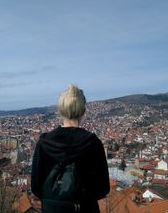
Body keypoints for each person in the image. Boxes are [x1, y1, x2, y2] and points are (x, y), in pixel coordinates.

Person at [31, 85, 110, 213]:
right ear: (83, 111)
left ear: (60, 111)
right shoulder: (93, 143)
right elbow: (102, 189)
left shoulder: (44, 143)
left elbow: (36, 187)